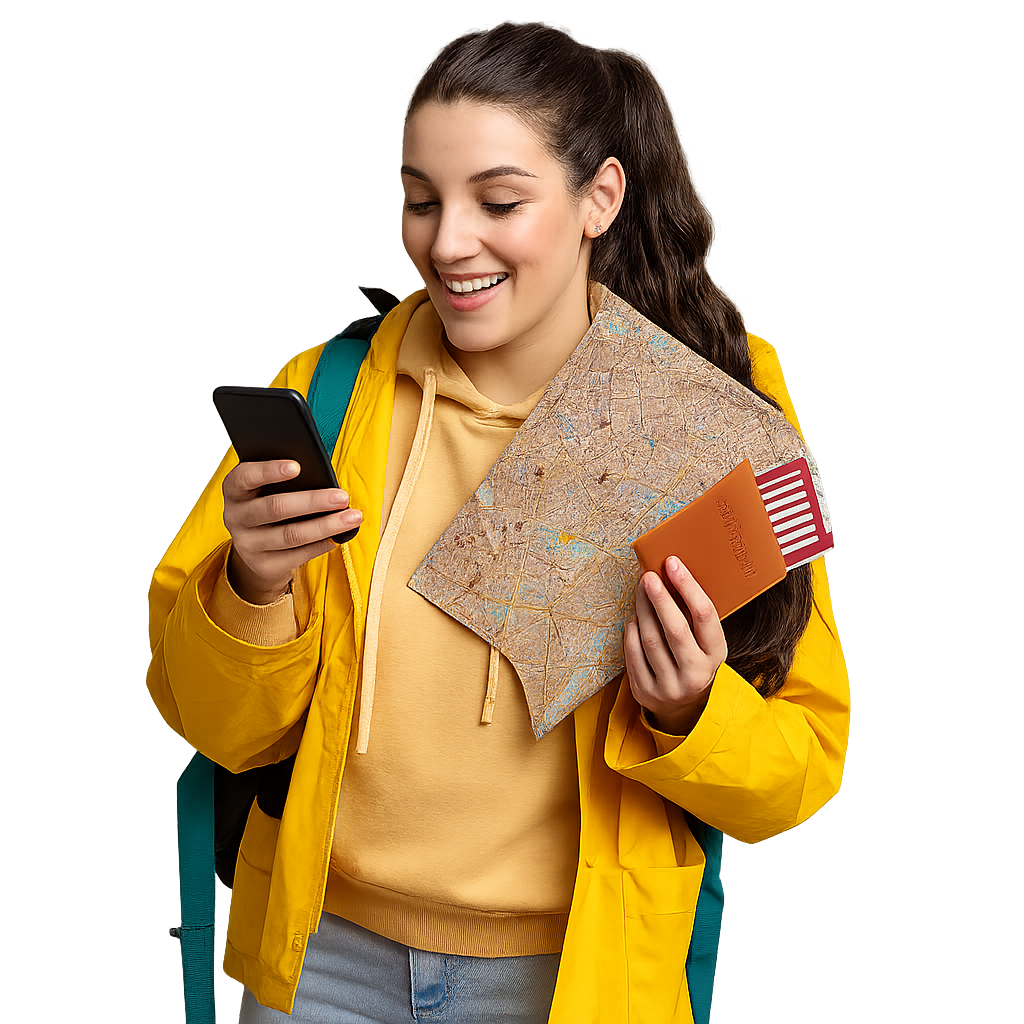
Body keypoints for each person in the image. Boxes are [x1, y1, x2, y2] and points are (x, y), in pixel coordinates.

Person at [148, 22, 849, 1024]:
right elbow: (213, 724)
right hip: (322, 964)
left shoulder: (711, 423)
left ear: (599, 198)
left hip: (567, 976)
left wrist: (691, 710)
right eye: (420, 200)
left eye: (499, 200)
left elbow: (797, 768)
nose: (446, 242)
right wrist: (250, 589)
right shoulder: (334, 393)